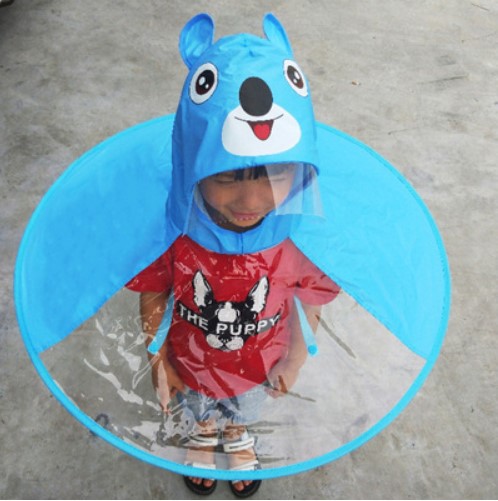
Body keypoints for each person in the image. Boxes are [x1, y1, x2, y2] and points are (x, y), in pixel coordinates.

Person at [127, 163, 339, 497]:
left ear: (300, 174)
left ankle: (235, 430)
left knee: (247, 405)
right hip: (190, 361)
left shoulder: (299, 236)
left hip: (260, 366)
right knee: (197, 402)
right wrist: (159, 361)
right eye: (227, 177)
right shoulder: (176, 229)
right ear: (194, 169)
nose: (250, 201)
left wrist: (293, 362)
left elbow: (310, 302)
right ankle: (205, 428)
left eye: (274, 177)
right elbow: (154, 292)